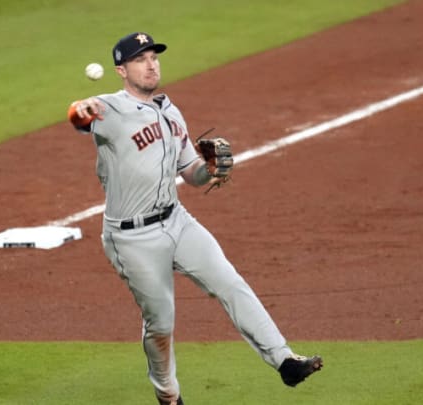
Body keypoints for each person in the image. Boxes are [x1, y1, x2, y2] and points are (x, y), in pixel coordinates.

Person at [67, 32, 322, 405]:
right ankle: (168, 396)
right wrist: (81, 110)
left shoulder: (170, 111)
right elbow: (79, 115)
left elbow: (190, 171)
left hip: (178, 221)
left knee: (230, 282)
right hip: (132, 238)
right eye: (141, 59)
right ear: (122, 70)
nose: (151, 64)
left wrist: (211, 170)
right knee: (161, 324)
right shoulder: (109, 109)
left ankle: (284, 361)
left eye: (154, 57)